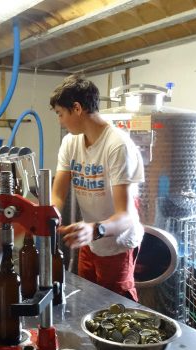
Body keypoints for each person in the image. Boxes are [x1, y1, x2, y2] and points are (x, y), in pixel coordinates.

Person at [50, 74, 145, 301]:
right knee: (89, 302)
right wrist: (47, 216)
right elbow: (58, 193)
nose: (60, 121)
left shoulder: (117, 146)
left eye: (60, 114)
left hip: (117, 244)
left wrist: (95, 229)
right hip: (91, 242)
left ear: (77, 108)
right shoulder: (70, 142)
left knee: (115, 310)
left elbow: (126, 216)